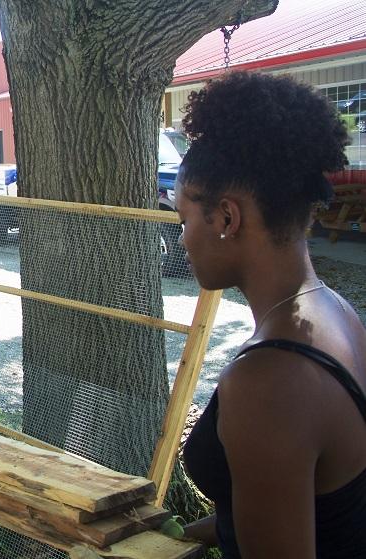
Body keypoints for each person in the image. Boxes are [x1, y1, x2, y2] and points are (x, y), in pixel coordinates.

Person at [178, 71, 366, 558]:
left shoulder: (267, 381)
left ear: (225, 218)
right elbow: (325, 508)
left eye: (184, 220)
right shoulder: (337, 311)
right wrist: (184, 532)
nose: (183, 239)